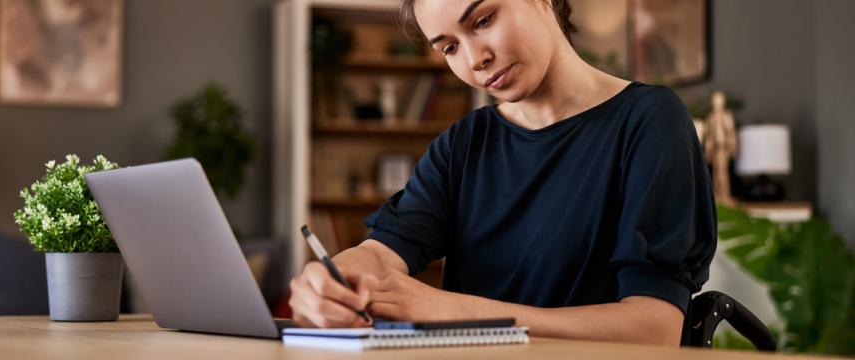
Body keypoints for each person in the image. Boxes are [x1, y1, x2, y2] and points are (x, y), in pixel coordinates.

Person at [288, 0, 716, 347]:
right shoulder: (463, 144)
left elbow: (654, 330)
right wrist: (332, 281)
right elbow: (382, 254)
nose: (475, 60)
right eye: (449, 47)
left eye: (484, 20)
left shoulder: (650, 121)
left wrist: (453, 311)